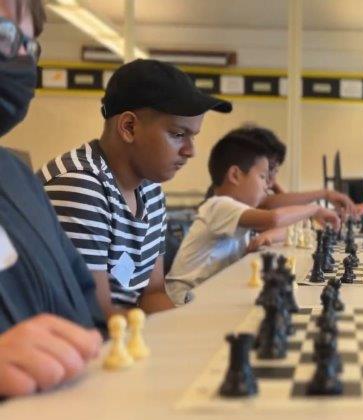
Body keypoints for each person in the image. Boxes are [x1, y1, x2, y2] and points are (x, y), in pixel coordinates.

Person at [38, 59, 232, 318]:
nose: (190, 151)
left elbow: (151, 294)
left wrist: (186, 330)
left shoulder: (150, 190)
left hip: (120, 336)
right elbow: (95, 316)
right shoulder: (81, 185)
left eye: (192, 136)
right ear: (129, 127)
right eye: (177, 134)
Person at [0, 0, 103, 398]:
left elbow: (83, 300)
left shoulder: (18, 178)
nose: (25, 58)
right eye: (6, 35)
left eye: (31, 44)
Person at [165, 126, 341, 305]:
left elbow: (280, 226)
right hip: (183, 301)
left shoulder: (238, 209)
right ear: (235, 175)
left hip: (207, 294)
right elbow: (274, 218)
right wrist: (315, 210)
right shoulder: (219, 205)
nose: (268, 185)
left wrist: (270, 235)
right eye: (263, 177)